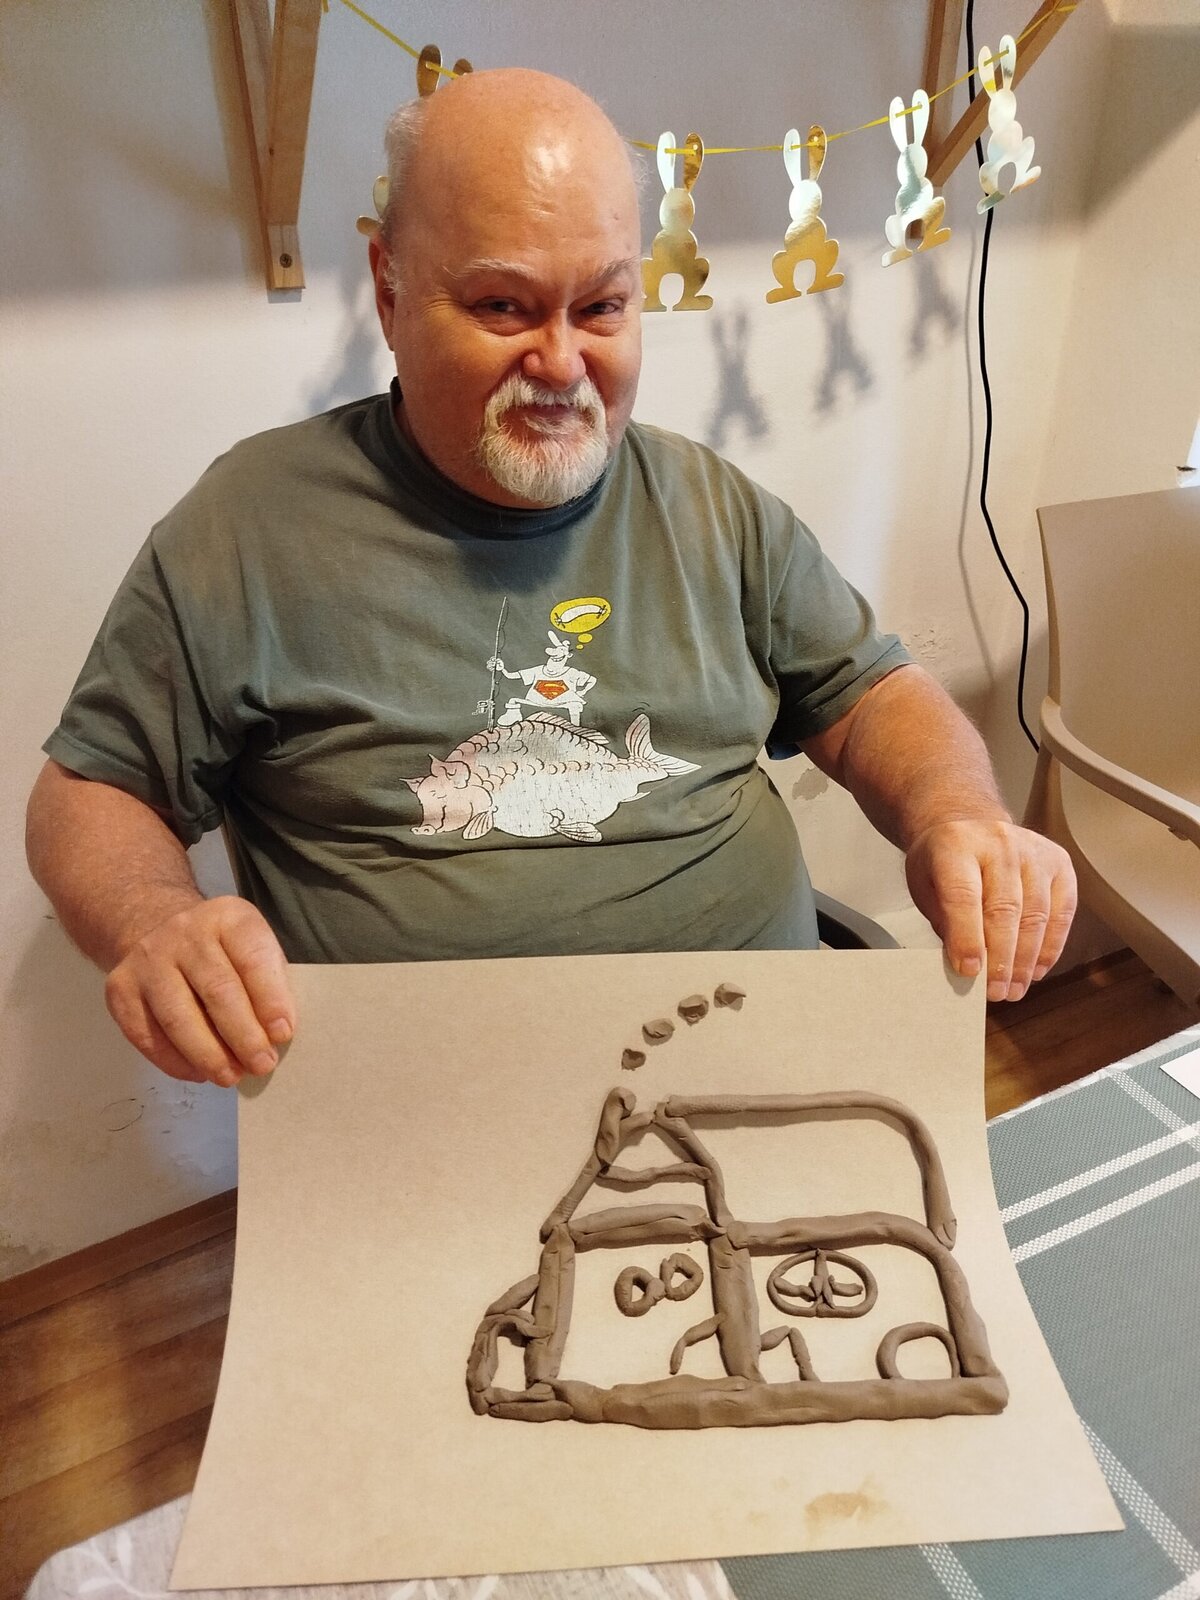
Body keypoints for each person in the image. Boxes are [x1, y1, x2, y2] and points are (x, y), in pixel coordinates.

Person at [25, 69, 1076, 1092]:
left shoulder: (712, 507)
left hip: (753, 1070)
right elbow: (92, 791)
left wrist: (957, 814)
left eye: (603, 307)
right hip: (420, 1115)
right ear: (389, 289)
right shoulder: (250, 527)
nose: (563, 363)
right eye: (503, 306)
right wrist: (154, 922)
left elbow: (873, 695)